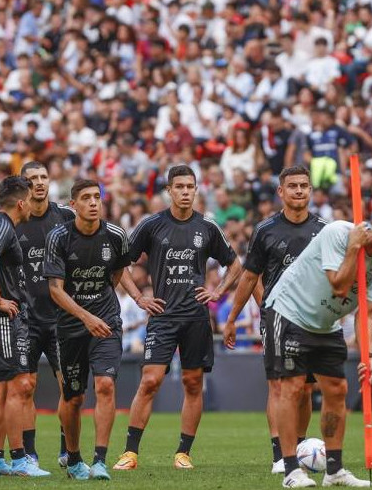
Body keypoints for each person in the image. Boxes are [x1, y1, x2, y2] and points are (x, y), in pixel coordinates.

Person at [267, 208, 372, 488]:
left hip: (327, 325)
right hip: (290, 312)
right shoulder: (339, 233)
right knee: (293, 388)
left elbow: (365, 313)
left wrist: (370, 355)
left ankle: (333, 471)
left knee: (338, 390)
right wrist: (354, 248)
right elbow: (339, 285)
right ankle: (291, 471)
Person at [113, 165, 244, 471]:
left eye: (190, 187)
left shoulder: (207, 228)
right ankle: (130, 453)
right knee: (150, 380)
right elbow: (120, 265)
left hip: (196, 317)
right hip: (162, 315)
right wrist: (138, 297)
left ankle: (183, 452)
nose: (186, 192)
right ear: (169, 191)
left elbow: (234, 264)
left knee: (193, 382)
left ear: (196, 190)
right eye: (180, 187)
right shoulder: (152, 225)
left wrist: (217, 292)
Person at [46, 179, 154, 480]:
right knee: (73, 398)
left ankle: (100, 460)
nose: (93, 202)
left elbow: (118, 272)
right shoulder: (59, 238)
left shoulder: (116, 235)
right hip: (70, 327)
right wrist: (84, 317)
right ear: (73, 205)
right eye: (86, 198)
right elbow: (55, 289)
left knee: (105, 385)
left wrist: (109, 309)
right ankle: (74, 458)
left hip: (107, 321)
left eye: (97, 197)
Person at [223, 165, 327, 474]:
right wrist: (231, 318)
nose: (298, 190)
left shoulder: (324, 229)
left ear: (310, 190)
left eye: (304, 186)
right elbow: (249, 276)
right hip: (278, 317)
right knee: (280, 387)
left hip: (312, 319)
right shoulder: (266, 230)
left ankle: (298, 446)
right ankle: (279, 455)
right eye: (292, 186)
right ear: (280, 192)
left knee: (306, 389)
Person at [0, 175, 51, 478]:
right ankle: (20, 459)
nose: (33, 205)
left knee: (7, 390)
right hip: (4, 317)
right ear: (21, 203)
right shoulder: (2, 226)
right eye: (31, 199)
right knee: (20, 387)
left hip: (6, 317)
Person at [13, 161, 76, 467]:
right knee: (25, 387)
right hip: (25, 317)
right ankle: (29, 454)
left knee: (69, 386)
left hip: (61, 318)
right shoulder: (14, 220)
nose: (39, 183)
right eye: (32, 179)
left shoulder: (65, 216)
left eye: (43, 177)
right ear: (23, 186)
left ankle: (67, 451)